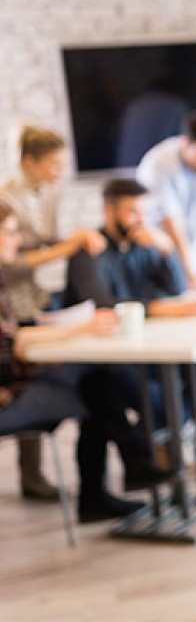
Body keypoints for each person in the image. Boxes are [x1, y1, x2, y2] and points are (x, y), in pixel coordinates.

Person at [0, 200, 172, 523]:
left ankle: (119, 475)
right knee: (95, 388)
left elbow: (13, 342)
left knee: (97, 381)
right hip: (8, 396)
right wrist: (80, 328)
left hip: (17, 380)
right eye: (9, 233)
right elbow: (13, 349)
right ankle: (124, 469)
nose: (17, 241)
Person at [62, 178, 196, 431]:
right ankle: (160, 443)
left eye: (145, 213)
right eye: (133, 212)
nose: (141, 220)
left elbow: (177, 288)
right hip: (107, 358)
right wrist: (159, 309)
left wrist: (167, 248)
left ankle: (161, 439)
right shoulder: (89, 251)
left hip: (145, 347)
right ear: (109, 212)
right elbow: (101, 303)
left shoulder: (144, 245)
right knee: (160, 400)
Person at [0, 125, 105, 501]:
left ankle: (36, 472)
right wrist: (69, 246)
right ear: (30, 161)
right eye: (54, 164)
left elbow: (44, 241)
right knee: (25, 368)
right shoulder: (7, 200)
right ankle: (32, 474)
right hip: (13, 296)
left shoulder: (47, 192)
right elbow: (14, 264)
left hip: (33, 297)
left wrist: (76, 237)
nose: (60, 171)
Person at [136, 110, 196, 289]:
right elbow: (171, 222)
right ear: (184, 143)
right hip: (160, 252)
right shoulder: (158, 163)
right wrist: (191, 276)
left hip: (195, 248)